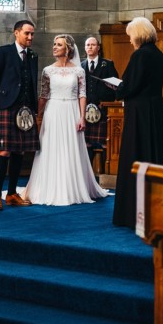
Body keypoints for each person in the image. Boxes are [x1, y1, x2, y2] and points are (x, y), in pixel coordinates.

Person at [22, 35, 108, 205]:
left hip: (71, 112)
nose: (54, 47)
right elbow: (44, 95)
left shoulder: (78, 71)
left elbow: (82, 95)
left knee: (71, 148)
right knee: (51, 147)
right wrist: (35, 114)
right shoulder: (48, 70)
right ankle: (49, 187)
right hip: (52, 112)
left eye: (59, 45)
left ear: (68, 49)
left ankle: (71, 187)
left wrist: (82, 117)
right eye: (54, 44)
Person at [112, 17, 163, 228]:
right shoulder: (158, 54)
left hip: (140, 112)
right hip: (155, 109)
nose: (129, 40)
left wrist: (118, 89)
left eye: (130, 36)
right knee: (155, 153)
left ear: (138, 34)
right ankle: (159, 208)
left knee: (137, 154)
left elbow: (130, 86)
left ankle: (133, 212)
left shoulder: (140, 55)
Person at [0, 20, 40, 211]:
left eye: (32, 34)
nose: (30, 37)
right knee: (4, 152)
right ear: (16, 33)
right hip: (6, 108)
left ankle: (11, 194)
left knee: (20, 151)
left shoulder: (33, 56)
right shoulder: (3, 52)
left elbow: (32, 83)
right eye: (27, 33)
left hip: (26, 111)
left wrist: (34, 110)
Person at [81, 36, 119, 164]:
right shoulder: (81, 66)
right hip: (85, 110)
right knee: (87, 144)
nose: (90, 47)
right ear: (85, 48)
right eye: (87, 45)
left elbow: (115, 85)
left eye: (93, 44)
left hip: (103, 109)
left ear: (98, 48)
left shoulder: (108, 64)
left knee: (104, 143)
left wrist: (108, 101)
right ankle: (88, 174)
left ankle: (104, 173)